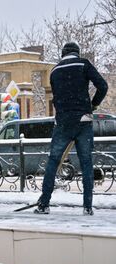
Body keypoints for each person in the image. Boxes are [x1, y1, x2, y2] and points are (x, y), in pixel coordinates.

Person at [35, 42, 108, 216]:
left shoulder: (54, 71)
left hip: (63, 122)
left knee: (53, 161)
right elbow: (103, 86)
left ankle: (44, 203)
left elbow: (57, 96)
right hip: (83, 119)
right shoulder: (84, 64)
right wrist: (93, 104)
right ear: (77, 53)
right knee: (86, 162)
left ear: (63, 54)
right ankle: (87, 207)